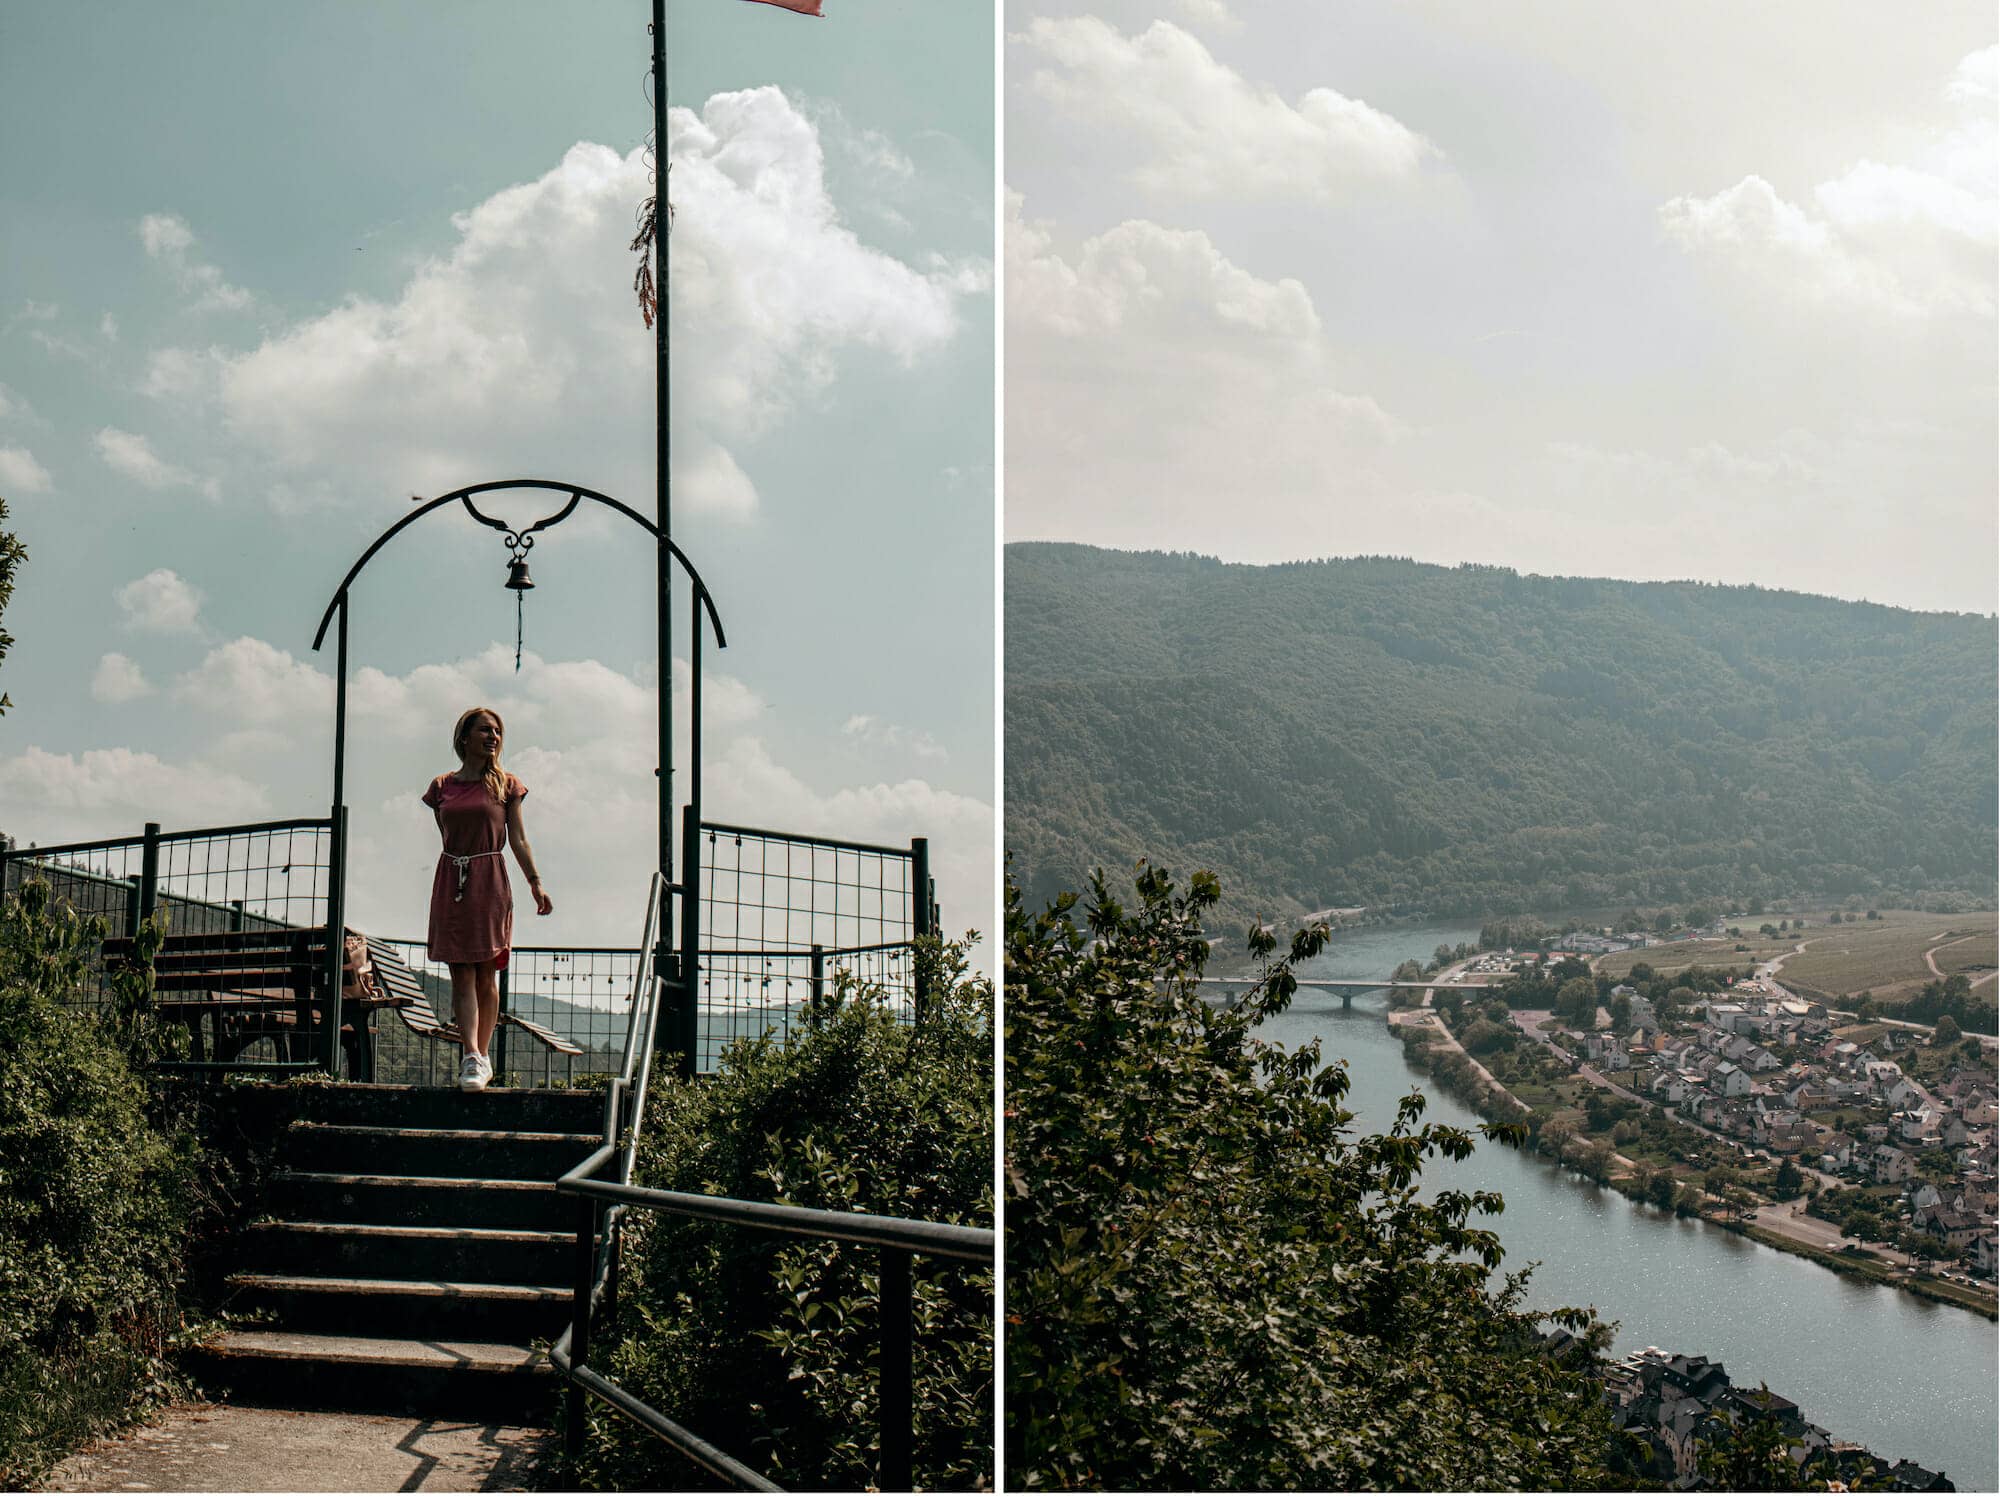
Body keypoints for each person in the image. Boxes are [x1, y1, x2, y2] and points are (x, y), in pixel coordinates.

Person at [422, 706, 553, 1090]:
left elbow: (519, 838)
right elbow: (446, 830)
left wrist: (535, 881)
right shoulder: (442, 786)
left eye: (497, 731)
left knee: (485, 973)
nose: (493, 736)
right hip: (452, 878)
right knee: (460, 972)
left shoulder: (507, 785)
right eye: (484, 730)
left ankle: (482, 1053)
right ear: (465, 738)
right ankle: (471, 1056)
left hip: (489, 879)